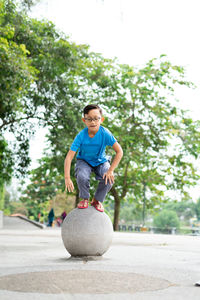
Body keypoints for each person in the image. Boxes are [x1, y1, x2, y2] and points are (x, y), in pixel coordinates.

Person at [64, 104, 123, 212]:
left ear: (102, 119)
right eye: (89, 119)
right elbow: (69, 157)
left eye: (96, 119)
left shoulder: (105, 133)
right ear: (84, 120)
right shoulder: (81, 136)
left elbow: (119, 152)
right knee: (82, 175)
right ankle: (85, 198)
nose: (93, 122)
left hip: (101, 161)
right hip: (84, 161)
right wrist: (67, 177)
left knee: (109, 179)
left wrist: (110, 170)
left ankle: (96, 200)